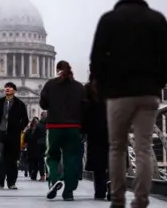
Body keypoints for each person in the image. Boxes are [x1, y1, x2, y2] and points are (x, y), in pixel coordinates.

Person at [90, 0, 167, 208]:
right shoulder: (157, 19)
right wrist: (157, 84)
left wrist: (104, 88)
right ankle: (141, 200)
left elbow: (97, 59)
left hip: (118, 94)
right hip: (148, 93)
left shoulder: (109, 20)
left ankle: (117, 199)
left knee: (116, 148)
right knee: (144, 147)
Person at [40, 61, 85, 201]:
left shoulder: (50, 85)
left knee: (52, 156)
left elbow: (43, 104)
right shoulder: (79, 87)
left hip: (54, 127)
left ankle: (54, 181)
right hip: (73, 128)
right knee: (72, 159)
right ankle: (69, 192)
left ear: (57, 69)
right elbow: (85, 109)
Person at [0, 82, 28, 190]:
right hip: (0, 133)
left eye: (10, 87)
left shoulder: (20, 104)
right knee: (0, 159)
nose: (7, 89)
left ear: (14, 91)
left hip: (13, 135)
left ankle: (11, 183)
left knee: (12, 159)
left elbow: (25, 120)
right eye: (6, 87)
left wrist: (19, 129)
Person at [83, 69, 110, 201]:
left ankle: (100, 191)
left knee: (98, 163)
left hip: (95, 129)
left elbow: (83, 110)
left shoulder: (88, 88)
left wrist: (83, 129)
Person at [30, 115, 47, 182]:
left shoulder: (38, 125)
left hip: (39, 144)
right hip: (48, 143)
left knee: (41, 161)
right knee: (48, 160)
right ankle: (48, 175)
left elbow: (32, 135)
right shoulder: (49, 124)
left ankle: (42, 176)